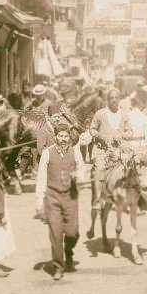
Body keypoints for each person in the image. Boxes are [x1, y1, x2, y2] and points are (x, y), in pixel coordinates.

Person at [35, 124, 86, 281]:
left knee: (72, 232)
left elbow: (82, 170)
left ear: (69, 137)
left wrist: (79, 176)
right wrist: (39, 202)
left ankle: (68, 251)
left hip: (70, 197)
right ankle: (58, 266)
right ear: (55, 137)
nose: (63, 139)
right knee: (55, 234)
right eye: (60, 136)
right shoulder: (47, 153)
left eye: (66, 136)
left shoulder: (76, 152)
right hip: (53, 198)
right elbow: (41, 178)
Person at [89, 89, 128, 211]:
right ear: (107, 100)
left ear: (120, 99)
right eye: (112, 98)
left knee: (130, 169)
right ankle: (97, 201)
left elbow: (130, 131)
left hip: (119, 150)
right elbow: (92, 129)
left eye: (117, 97)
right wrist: (101, 136)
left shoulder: (124, 115)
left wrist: (121, 135)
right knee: (99, 170)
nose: (114, 100)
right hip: (102, 150)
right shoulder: (100, 114)